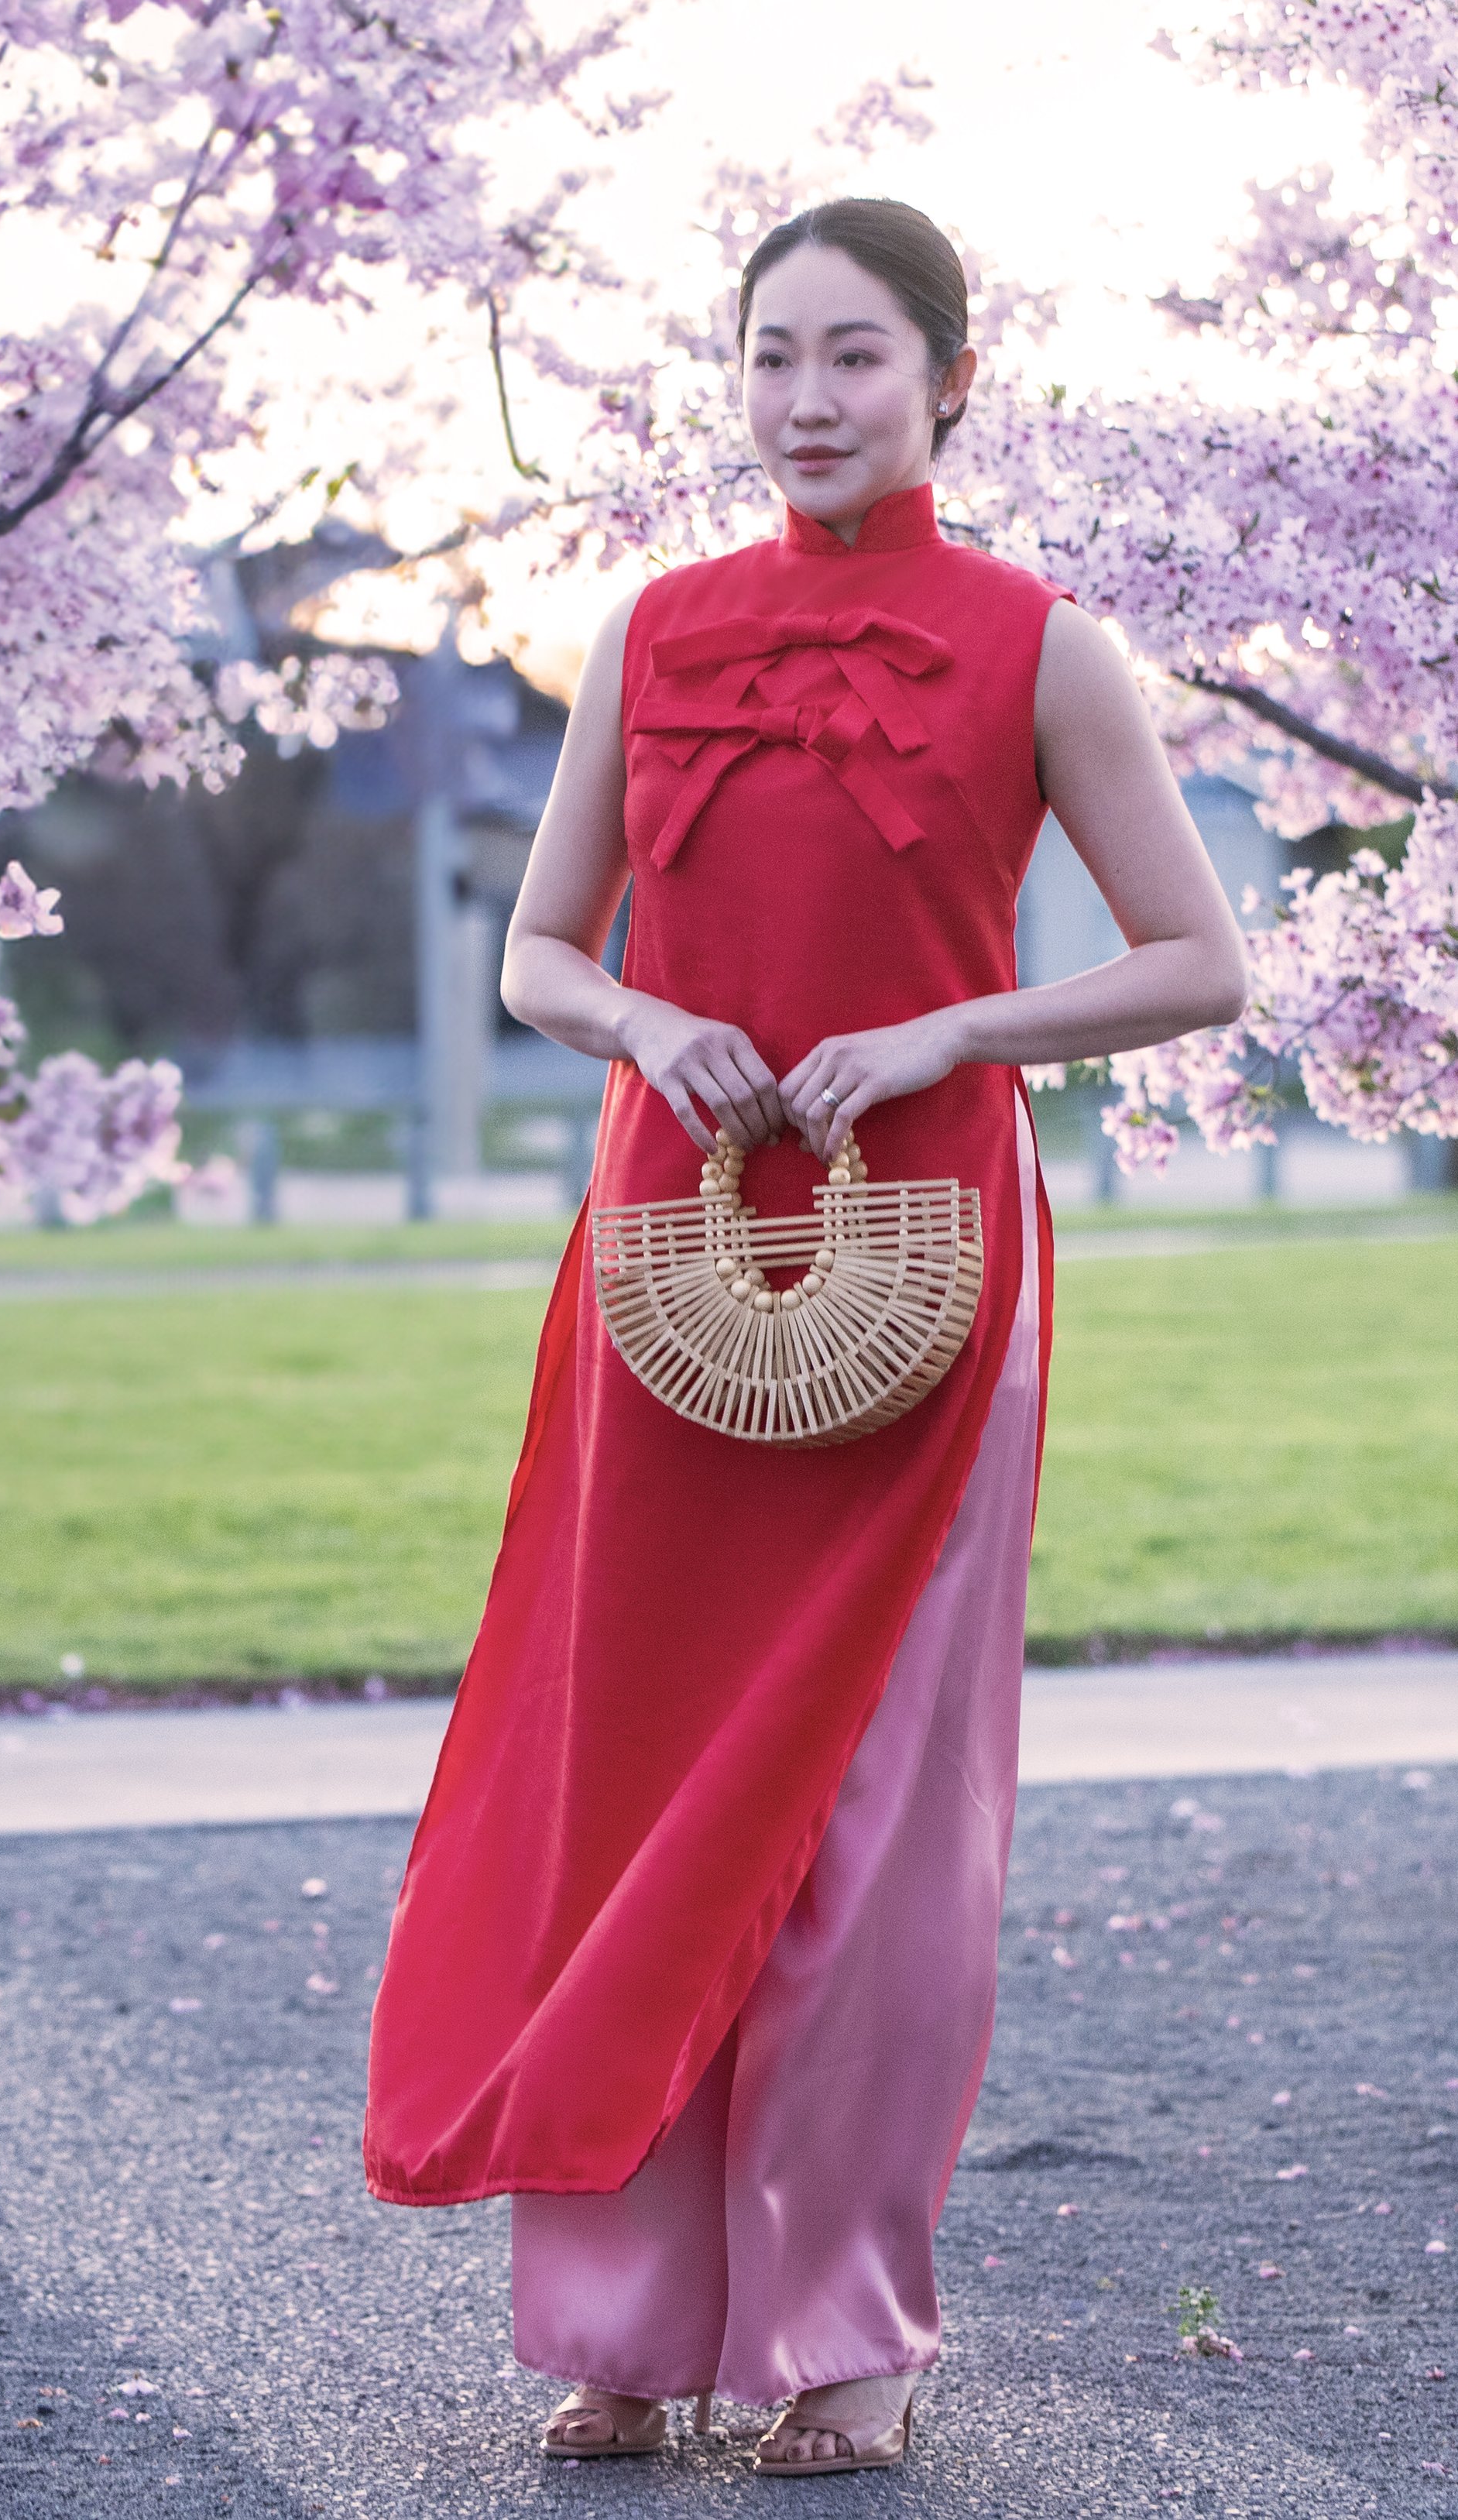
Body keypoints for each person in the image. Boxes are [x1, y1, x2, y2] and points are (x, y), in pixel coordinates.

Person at [363, 198, 1247, 2474]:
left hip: (925, 1247)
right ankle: (626, 2327)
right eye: (770, 359)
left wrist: (939, 1025)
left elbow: (1193, 963)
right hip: (664, 1243)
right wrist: (649, 1020)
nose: (807, 401)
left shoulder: (1044, 646)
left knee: (868, 1809)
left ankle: (842, 2330)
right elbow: (536, 959)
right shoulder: (647, 629)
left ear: (955, 376)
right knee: (632, 1776)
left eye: (855, 357)